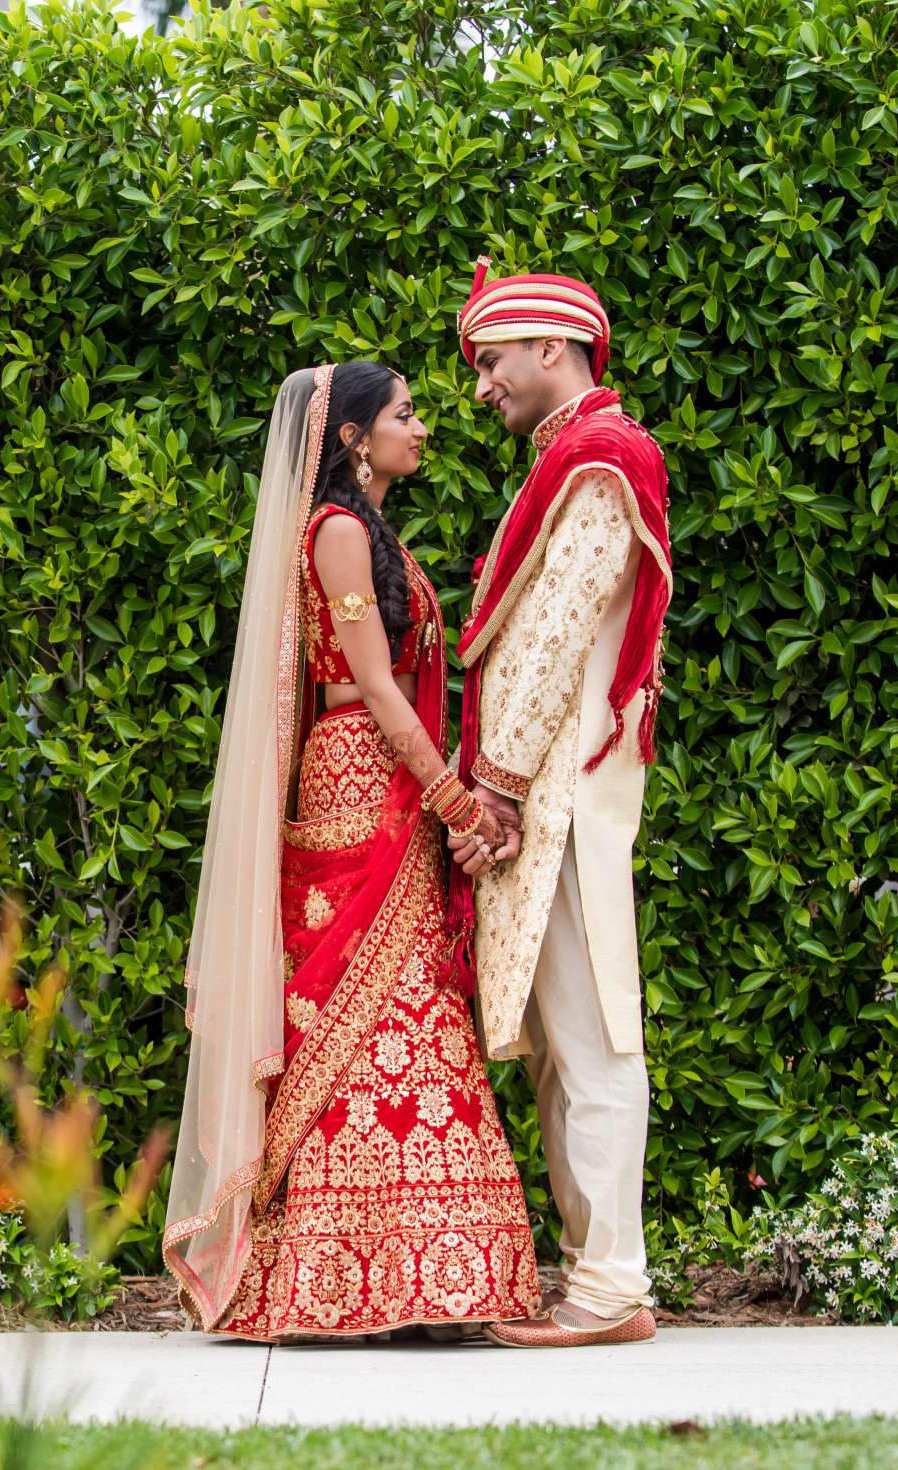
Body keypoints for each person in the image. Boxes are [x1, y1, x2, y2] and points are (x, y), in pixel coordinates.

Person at [166, 360, 541, 1342]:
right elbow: (374, 683)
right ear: (351, 438)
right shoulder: (335, 533)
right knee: (374, 997)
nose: (421, 428)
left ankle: (421, 1273)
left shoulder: (368, 533)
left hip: (392, 776)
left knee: (408, 1000)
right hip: (362, 776)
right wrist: (457, 798)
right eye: (405, 415)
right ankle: (340, 1276)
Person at [447, 261, 675, 1350]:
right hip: (551, 792)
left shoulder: (601, 459)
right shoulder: (566, 461)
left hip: (561, 795)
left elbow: (545, 644)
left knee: (591, 1040)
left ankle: (611, 1288)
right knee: (557, 1044)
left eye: (491, 362)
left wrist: (490, 786)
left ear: (551, 348)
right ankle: (595, 1276)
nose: (482, 387)